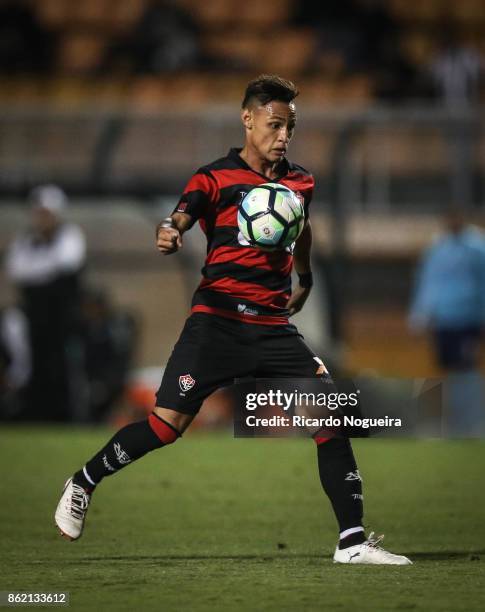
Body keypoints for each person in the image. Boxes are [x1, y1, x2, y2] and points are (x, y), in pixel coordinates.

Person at [55, 75, 411, 565]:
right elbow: (181, 215)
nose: (283, 135)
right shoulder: (213, 178)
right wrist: (168, 231)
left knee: (330, 421)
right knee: (165, 427)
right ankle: (83, 482)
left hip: (272, 327)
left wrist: (304, 277)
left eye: (290, 127)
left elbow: (300, 228)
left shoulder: (299, 181)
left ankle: (351, 543)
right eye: (274, 124)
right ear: (247, 119)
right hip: (216, 322)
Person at [5, 185, 86, 421]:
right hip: (35, 317)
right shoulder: (26, 241)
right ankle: (37, 413)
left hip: (64, 317)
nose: (42, 219)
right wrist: (44, 266)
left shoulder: (70, 236)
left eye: (47, 213)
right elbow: (16, 269)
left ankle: (69, 416)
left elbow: (67, 262)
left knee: (65, 366)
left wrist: (37, 267)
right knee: (34, 364)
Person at [409, 210, 485, 436]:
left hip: (467, 319)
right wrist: (419, 315)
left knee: (466, 368)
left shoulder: (477, 248)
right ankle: (450, 424)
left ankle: (471, 424)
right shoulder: (438, 248)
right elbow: (428, 283)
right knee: (446, 369)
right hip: (443, 320)